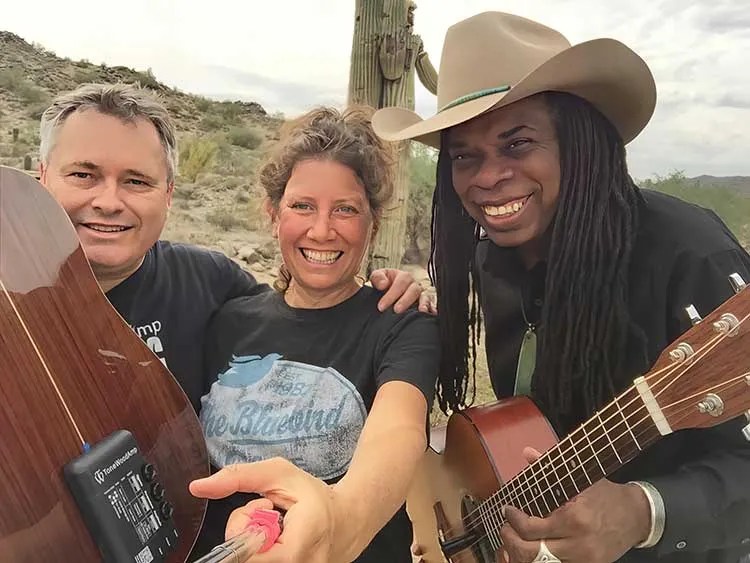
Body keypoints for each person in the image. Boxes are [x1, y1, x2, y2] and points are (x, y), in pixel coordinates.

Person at [370, 11, 750, 563]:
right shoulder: (489, 259)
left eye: (517, 143)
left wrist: (644, 512)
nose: (487, 176)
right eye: (463, 156)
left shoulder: (688, 254)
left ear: (578, 144)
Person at [37, 83, 433, 412]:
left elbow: (305, 313)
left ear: (169, 194)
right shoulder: (12, 294)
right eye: (83, 175)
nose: (109, 201)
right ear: (42, 177)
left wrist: (390, 289)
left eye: (137, 181)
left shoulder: (208, 283)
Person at [188, 106, 440, 562]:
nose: (321, 231)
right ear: (273, 214)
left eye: (345, 210)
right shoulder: (227, 322)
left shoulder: (402, 322)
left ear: (373, 224)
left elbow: (400, 430)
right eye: (302, 206)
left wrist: (339, 521)